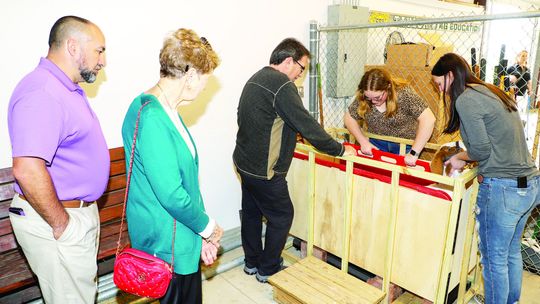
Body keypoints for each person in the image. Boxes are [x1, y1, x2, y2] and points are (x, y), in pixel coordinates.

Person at [233, 38, 356, 283]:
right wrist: (340, 150)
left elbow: (251, 118)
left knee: (251, 213)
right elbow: (307, 125)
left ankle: (251, 263)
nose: (300, 76)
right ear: (289, 61)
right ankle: (268, 268)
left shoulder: (256, 78)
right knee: (282, 216)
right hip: (265, 171)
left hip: (244, 163)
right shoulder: (281, 85)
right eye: (301, 69)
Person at [7, 16, 108, 304]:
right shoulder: (42, 91)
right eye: (99, 50)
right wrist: (63, 224)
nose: (103, 61)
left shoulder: (63, 88)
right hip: (58, 220)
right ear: (73, 46)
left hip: (74, 214)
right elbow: (26, 169)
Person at [121, 28, 223, 304]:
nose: (204, 89)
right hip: (167, 242)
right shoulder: (153, 116)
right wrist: (208, 228)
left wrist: (200, 238)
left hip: (179, 234)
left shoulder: (166, 109)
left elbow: (185, 182)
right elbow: (171, 193)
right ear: (190, 76)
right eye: (205, 80)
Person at [431, 53, 540, 304]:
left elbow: (481, 150)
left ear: (450, 76)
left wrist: (459, 157)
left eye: (439, 84)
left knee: (493, 259)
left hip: (504, 189)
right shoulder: (489, 91)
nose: (441, 91)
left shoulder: (466, 99)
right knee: (510, 252)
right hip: (530, 185)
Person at [344, 68, 435, 166]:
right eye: (369, 98)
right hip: (376, 143)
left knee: (399, 178)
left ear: (388, 87)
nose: (373, 101)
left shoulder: (403, 93)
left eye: (377, 97)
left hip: (403, 145)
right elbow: (349, 118)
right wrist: (362, 141)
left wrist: (414, 153)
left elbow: (428, 119)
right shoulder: (364, 97)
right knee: (377, 176)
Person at [507, 50, 532, 114]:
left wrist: (530, 89)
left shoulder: (527, 70)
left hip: (523, 95)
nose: (525, 57)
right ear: (518, 57)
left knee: (520, 113)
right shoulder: (512, 67)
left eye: (526, 56)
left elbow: (529, 81)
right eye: (523, 56)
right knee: (513, 112)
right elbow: (509, 80)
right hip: (514, 94)